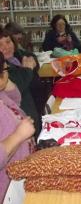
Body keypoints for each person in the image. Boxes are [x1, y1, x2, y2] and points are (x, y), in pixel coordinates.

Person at [0, 52, 35, 203]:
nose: (7, 68)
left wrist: (4, 81)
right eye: (5, 69)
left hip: (21, 175)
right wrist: (19, 136)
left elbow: (15, 99)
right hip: (8, 190)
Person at [0, 28, 41, 140]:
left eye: (8, 42)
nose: (6, 47)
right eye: (0, 45)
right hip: (23, 124)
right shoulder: (3, 69)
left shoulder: (16, 56)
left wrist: (30, 66)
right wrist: (28, 69)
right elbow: (17, 86)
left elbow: (31, 57)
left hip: (35, 111)